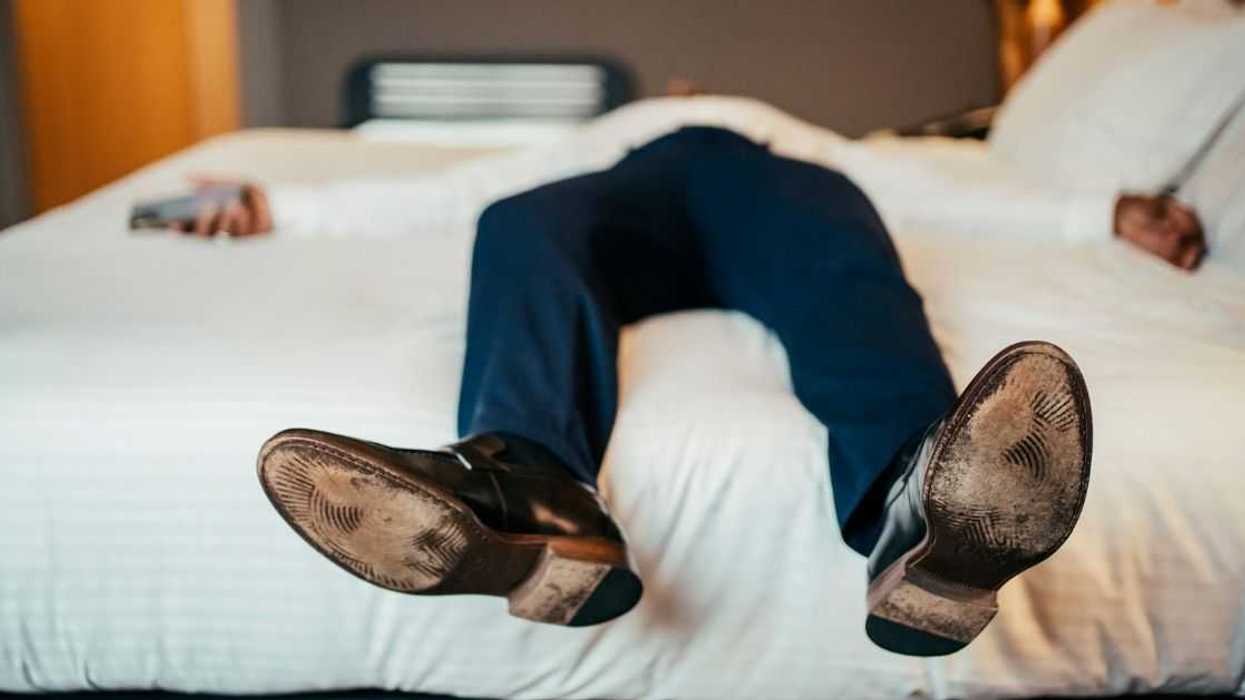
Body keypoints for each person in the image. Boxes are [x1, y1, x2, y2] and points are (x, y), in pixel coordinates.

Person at [178, 97, 1202, 656]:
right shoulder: (603, 142)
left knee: (844, 244)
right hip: (631, 203)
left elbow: (941, 189)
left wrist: (1092, 216)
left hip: (769, 198)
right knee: (519, 221)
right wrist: (283, 207)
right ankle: (530, 498)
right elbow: (453, 189)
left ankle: (924, 512)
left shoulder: (798, 142)